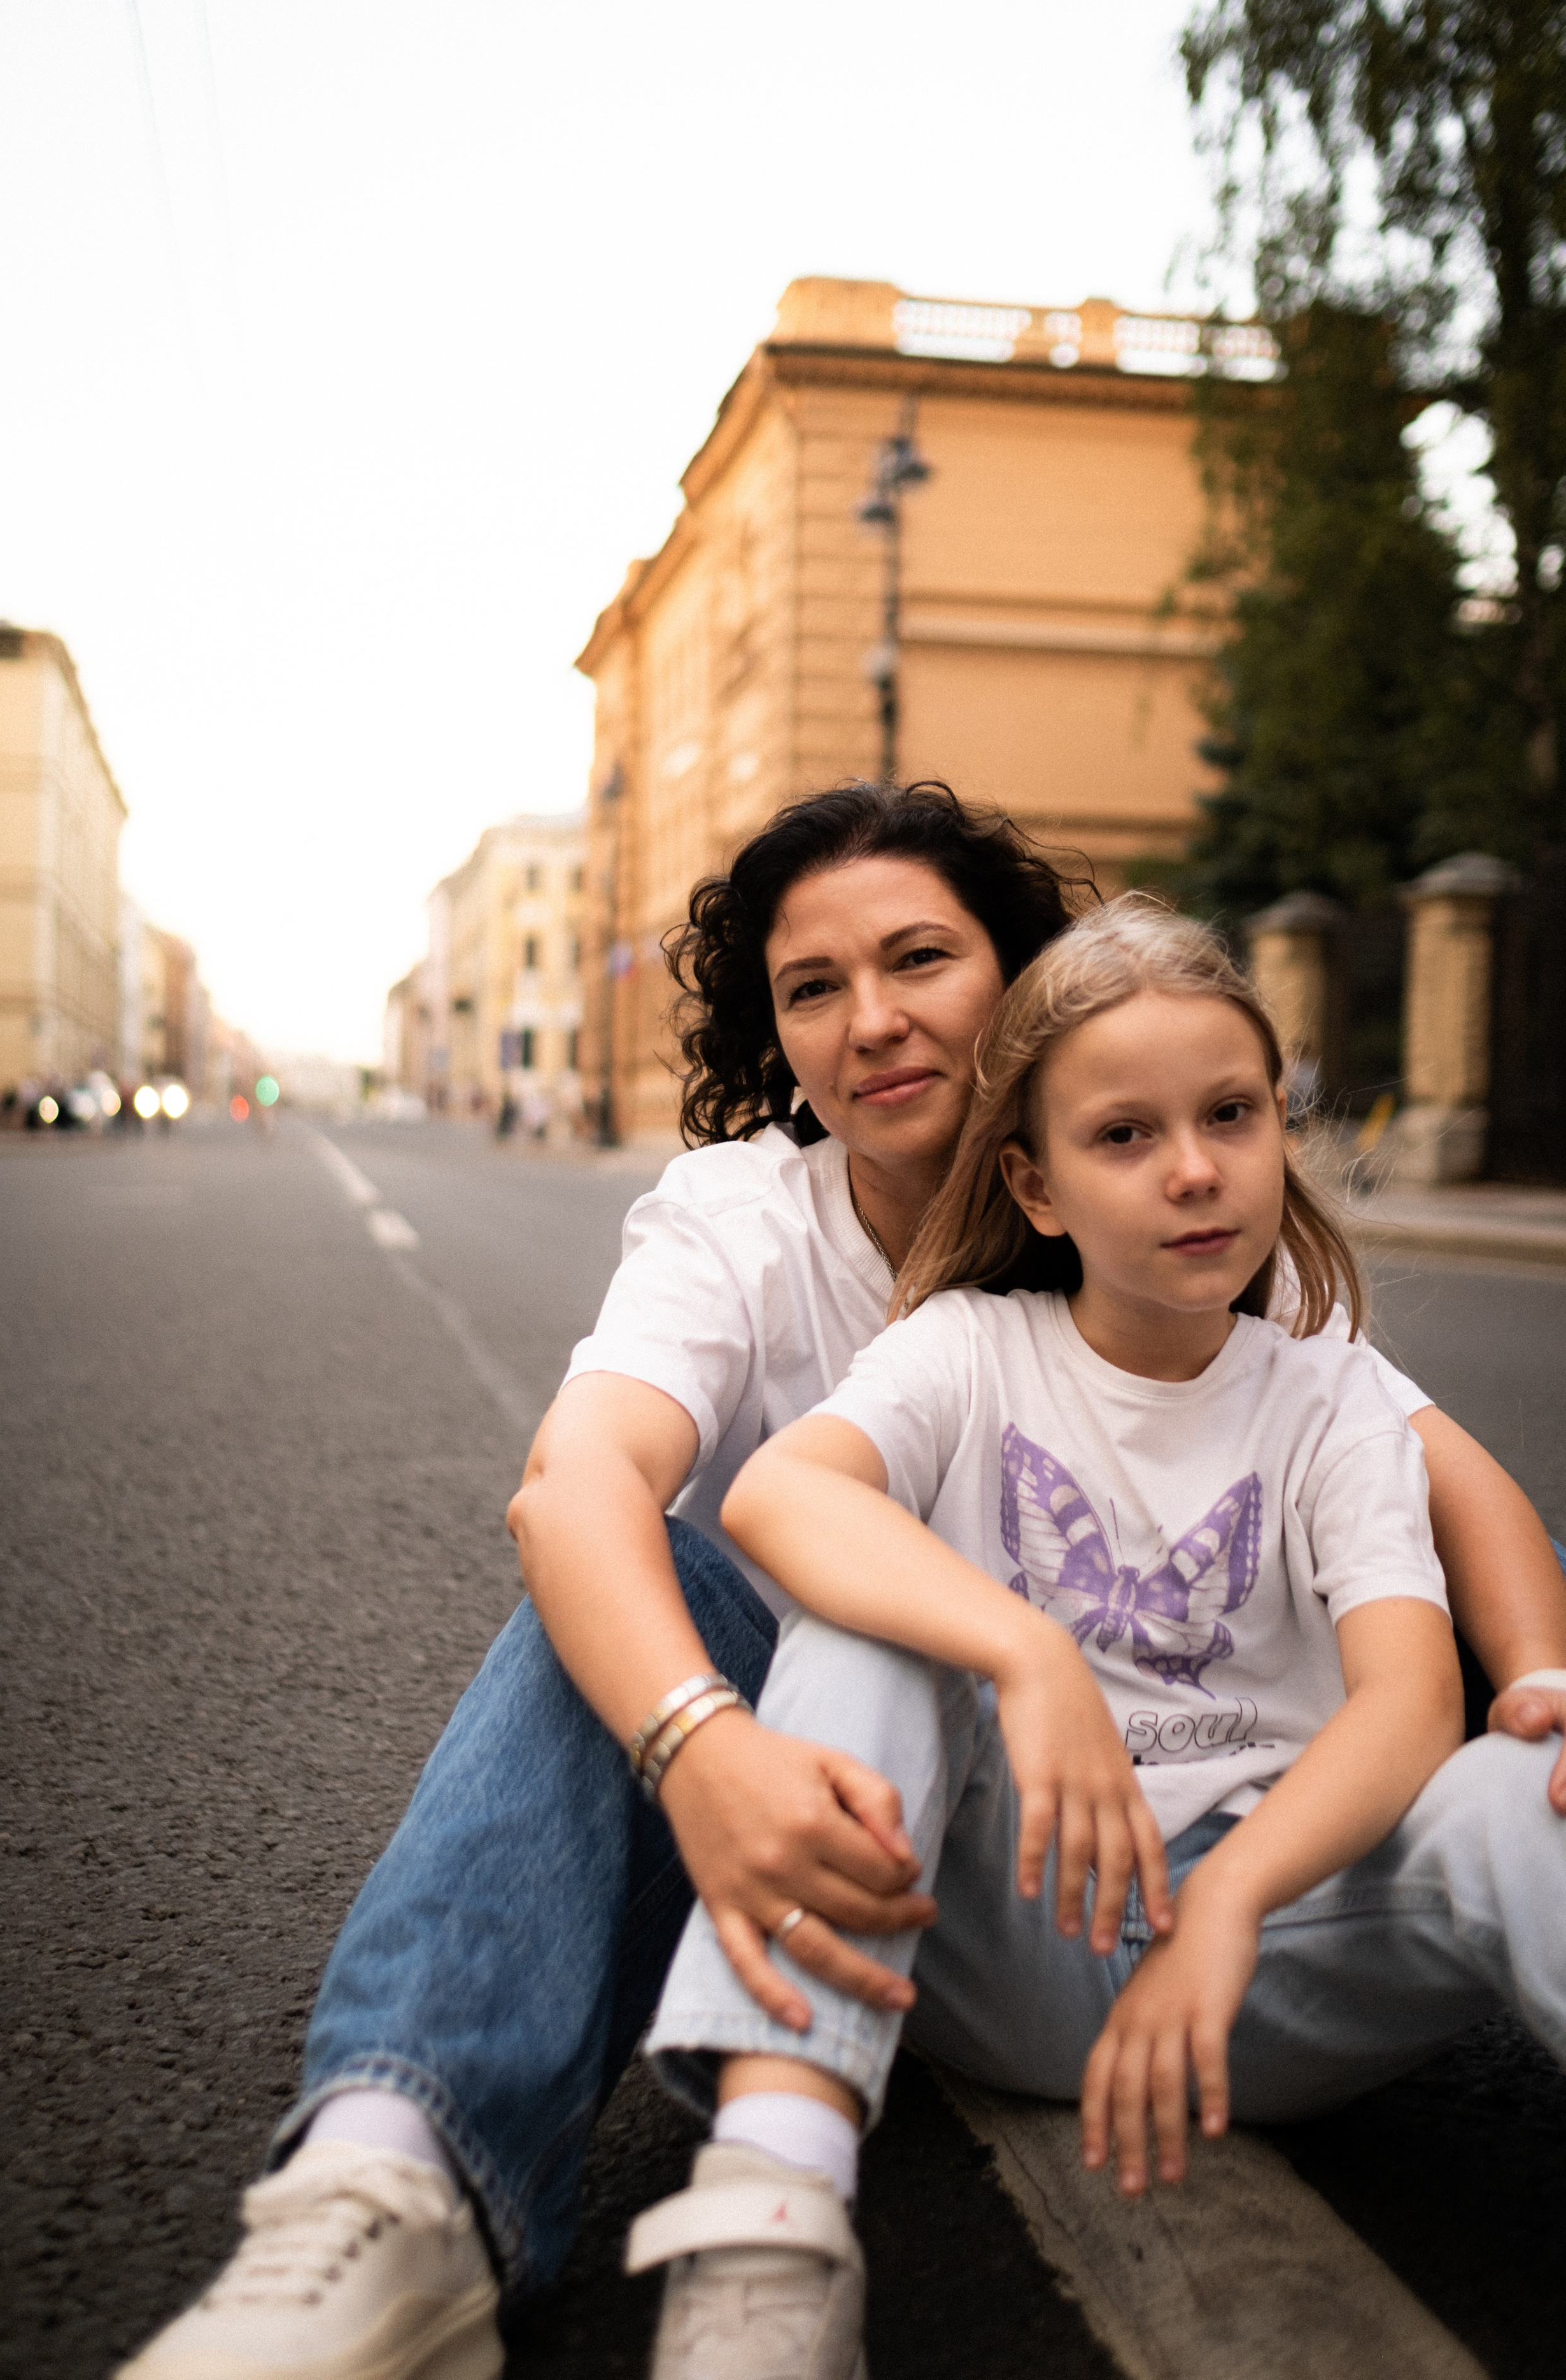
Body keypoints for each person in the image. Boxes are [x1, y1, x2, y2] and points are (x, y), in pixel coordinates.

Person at [120, 790, 1566, 2380]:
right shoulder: (751, 1222)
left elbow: (1442, 1477)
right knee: (686, 1579)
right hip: (892, 1790)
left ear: (1019, 981)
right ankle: (393, 2172)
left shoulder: (1194, 1227)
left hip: (1218, 1846)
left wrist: (1536, 1692)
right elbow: (578, 1485)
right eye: (811, 988)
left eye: (920, 959)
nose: (869, 1020)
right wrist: (705, 1751)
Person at [629, 897, 1566, 2380]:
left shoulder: (1326, 1394)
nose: (1193, 1171)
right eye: (1123, 1136)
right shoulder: (966, 1350)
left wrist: (1232, 1901)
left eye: (1231, 1115)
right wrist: (1026, 1650)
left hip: (1266, 1964)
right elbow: (774, 1494)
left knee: (1529, 1780)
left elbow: (1400, 1703)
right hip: (990, 1940)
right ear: (1037, 1183)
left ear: (1280, 1126)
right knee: (864, 1629)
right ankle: (768, 2214)